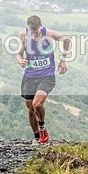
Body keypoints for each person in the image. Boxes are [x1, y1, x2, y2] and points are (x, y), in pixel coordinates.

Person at [16, 15, 70, 144]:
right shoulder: (23, 34)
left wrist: (63, 59)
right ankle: (36, 137)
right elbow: (19, 53)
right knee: (30, 107)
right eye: (32, 32)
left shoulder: (48, 33)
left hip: (46, 75)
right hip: (30, 74)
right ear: (28, 28)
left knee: (37, 104)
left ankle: (42, 126)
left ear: (41, 27)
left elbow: (67, 39)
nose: (34, 34)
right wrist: (20, 61)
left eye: (37, 32)